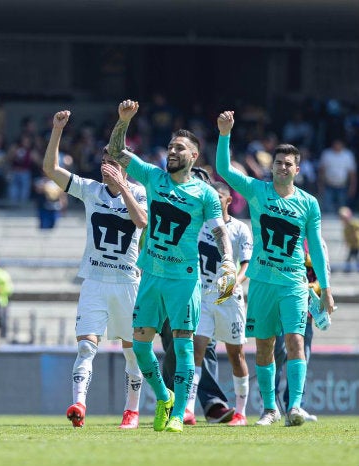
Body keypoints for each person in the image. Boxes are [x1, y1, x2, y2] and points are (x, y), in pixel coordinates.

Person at [109, 100, 237, 433]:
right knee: (139, 345)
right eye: (170, 146)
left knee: (183, 346)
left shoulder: (205, 194)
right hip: (151, 272)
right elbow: (116, 151)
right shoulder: (153, 177)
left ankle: (179, 413)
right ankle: (164, 396)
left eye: (179, 147)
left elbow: (220, 229)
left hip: (184, 279)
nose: (172, 151)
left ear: (194, 156)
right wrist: (123, 121)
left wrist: (227, 260)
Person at [215, 110, 335, 427]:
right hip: (262, 282)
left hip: (295, 283)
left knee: (296, 340)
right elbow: (223, 169)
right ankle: (270, 408)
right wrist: (225, 134)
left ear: (297, 169)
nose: (283, 167)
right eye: (278, 163)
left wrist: (325, 289)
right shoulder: (257, 190)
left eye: (288, 164)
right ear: (273, 166)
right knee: (265, 346)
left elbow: (317, 249)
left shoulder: (309, 203)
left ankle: (294, 406)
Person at [44, 109, 148, 429]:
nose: (106, 167)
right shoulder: (90, 189)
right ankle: (79, 404)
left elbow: (142, 221)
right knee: (87, 345)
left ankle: (131, 410)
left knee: (133, 352)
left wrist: (124, 188)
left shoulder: (142, 192)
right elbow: (50, 169)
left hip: (128, 282)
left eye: (113, 161)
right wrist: (57, 130)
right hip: (95, 280)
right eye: (104, 160)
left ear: (125, 166)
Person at [185, 181, 253, 426]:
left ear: (228, 201)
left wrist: (236, 280)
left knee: (236, 355)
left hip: (228, 298)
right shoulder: (199, 224)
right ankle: (188, 410)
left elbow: (247, 263)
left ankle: (241, 413)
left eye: (217, 198)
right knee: (196, 351)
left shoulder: (240, 229)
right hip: (203, 295)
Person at [273, 238, 328, 424]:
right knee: (279, 353)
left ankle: (295, 405)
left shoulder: (317, 241)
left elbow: (324, 274)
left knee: (302, 354)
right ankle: (271, 404)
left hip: (307, 309)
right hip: (284, 305)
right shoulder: (286, 233)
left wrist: (314, 288)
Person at [317, 140, 356, 213]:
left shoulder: (348, 155)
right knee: (327, 210)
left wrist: (352, 187)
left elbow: (352, 173)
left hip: (342, 186)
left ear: (342, 145)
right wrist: (320, 185)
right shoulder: (327, 154)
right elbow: (321, 171)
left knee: (343, 210)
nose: (337, 146)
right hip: (328, 186)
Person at [338, 206, 359, 272]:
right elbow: (346, 237)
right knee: (352, 257)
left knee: (353, 257)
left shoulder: (354, 224)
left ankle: (348, 268)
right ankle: (348, 268)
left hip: (356, 244)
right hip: (352, 245)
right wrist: (347, 242)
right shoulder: (345, 228)